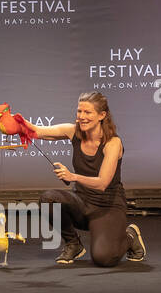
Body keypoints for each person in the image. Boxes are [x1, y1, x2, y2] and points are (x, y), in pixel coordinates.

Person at [33, 92, 145, 267]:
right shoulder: (73, 131)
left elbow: (102, 183)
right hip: (82, 203)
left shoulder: (113, 143)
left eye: (88, 112)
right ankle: (73, 244)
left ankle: (130, 236)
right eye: (79, 111)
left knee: (104, 259)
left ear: (102, 115)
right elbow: (37, 131)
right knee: (48, 198)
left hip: (107, 208)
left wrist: (72, 176)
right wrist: (11, 121)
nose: (82, 117)